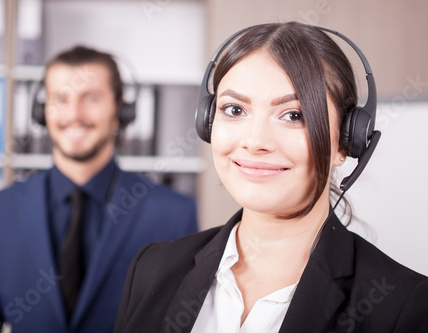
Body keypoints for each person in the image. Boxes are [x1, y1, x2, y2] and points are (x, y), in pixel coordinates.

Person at [114, 22, 428, 333]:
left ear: (346, 141)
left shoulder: (405, 305)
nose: (255, 141)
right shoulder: (152, 269)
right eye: (234, 110)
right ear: (207, 121)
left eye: (294, 115)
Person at [0, 46, 198, 333]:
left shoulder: (173, 214)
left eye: (91, 98)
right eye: (60, 98)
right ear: (41, 111)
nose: (74, 113)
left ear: (121, 110)